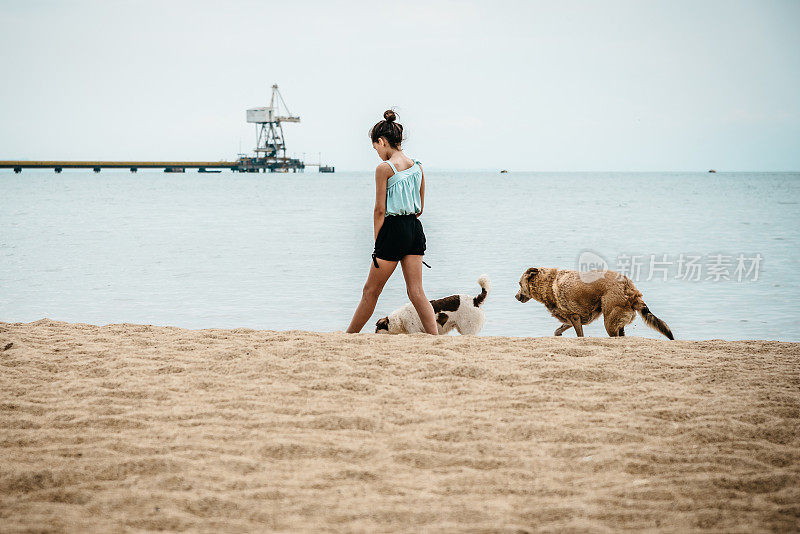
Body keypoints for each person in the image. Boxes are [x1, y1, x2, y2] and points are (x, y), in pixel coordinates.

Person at [346, 110, 438, 334]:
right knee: (416, 291)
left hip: (393, 229)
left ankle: (348, 337)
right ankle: (436, 338)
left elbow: (379, 210)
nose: (377, 152)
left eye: (375, 146)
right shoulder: (418, 167)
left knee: (371, 290)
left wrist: (379, 241)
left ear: (382, 141)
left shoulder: (384, 169)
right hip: (415, 229)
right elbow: (421, 208)